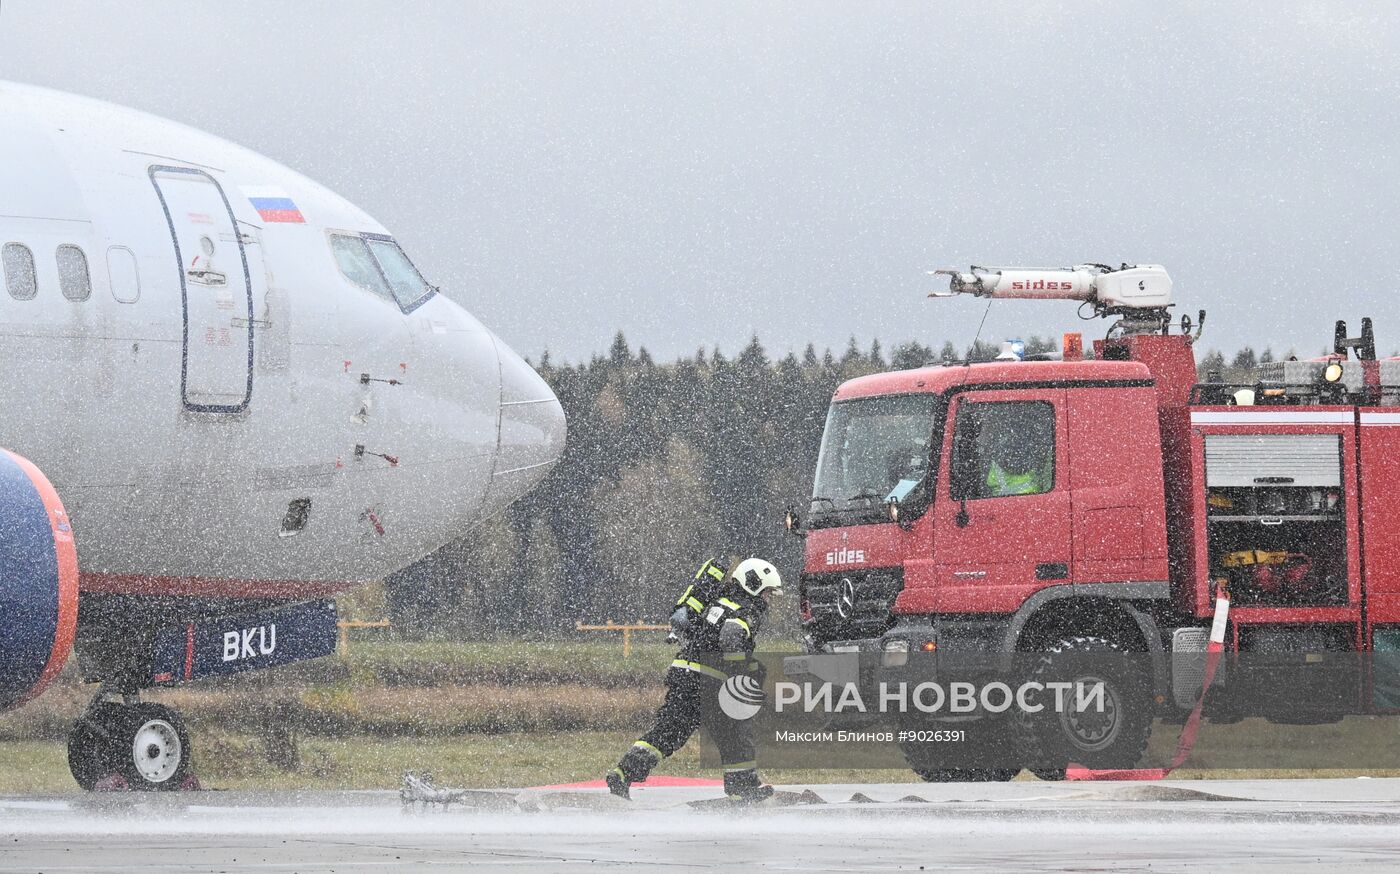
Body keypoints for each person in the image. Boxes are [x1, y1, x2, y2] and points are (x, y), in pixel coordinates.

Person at [606, 557, 783, 802]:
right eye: (766, 593)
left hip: (684, 673)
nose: (768, 600)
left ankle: (623, 772)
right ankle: (743, 790)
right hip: (710, 681)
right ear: (752, 585)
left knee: (668, 731)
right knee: (735, 734)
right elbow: (731, 636)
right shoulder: (746, 609)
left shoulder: (715, 601)